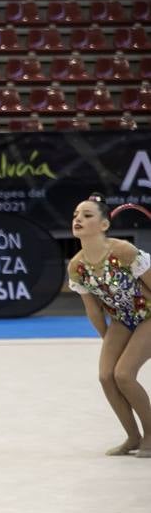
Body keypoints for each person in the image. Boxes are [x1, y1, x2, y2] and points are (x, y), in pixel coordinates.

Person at [68, 193, 151, 457]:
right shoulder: (77, 266)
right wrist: (108, 340)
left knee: (123, 375)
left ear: (104, 225)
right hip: (121, 320)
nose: (78, 219)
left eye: (87, 215)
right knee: (106, 376)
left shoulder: (123, 251)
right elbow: (93, 309)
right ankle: (132, 437)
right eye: (75, 215)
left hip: (148, 314)